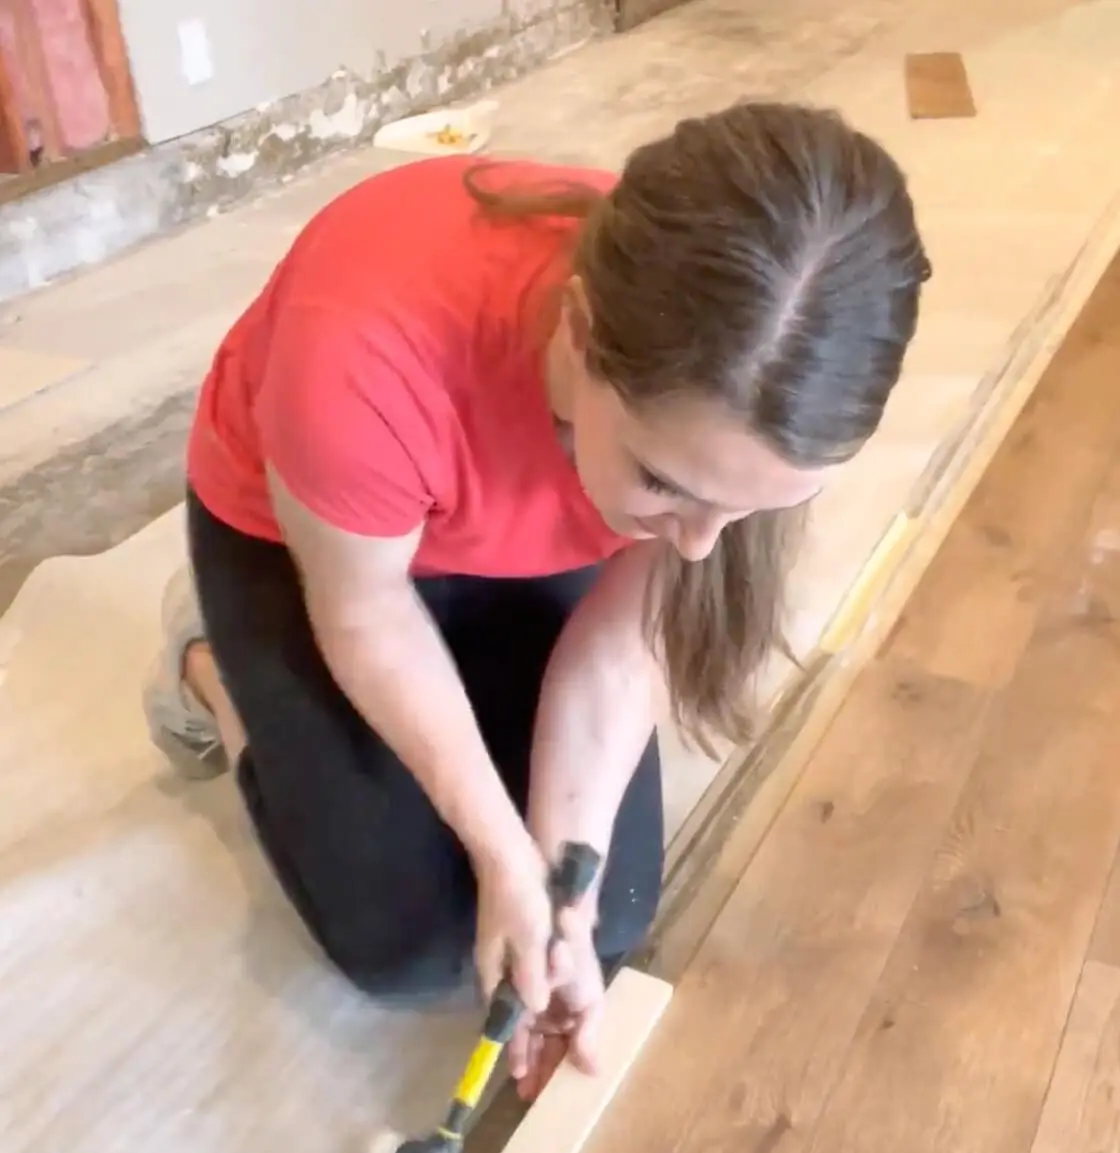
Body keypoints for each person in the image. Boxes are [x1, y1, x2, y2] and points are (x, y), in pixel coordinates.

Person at [144, 99, 929, 1100]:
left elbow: (614, 662)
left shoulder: (748, 400)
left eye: (745, 510)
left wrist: (555, 884)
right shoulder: (365, 344)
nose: (698, 544)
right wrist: (492, 848)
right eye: (667, 482)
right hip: (320, 548)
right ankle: (216, 666)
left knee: (607, 913)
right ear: (583, 329)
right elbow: (366, 616)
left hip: (519, 518)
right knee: (403, 943)